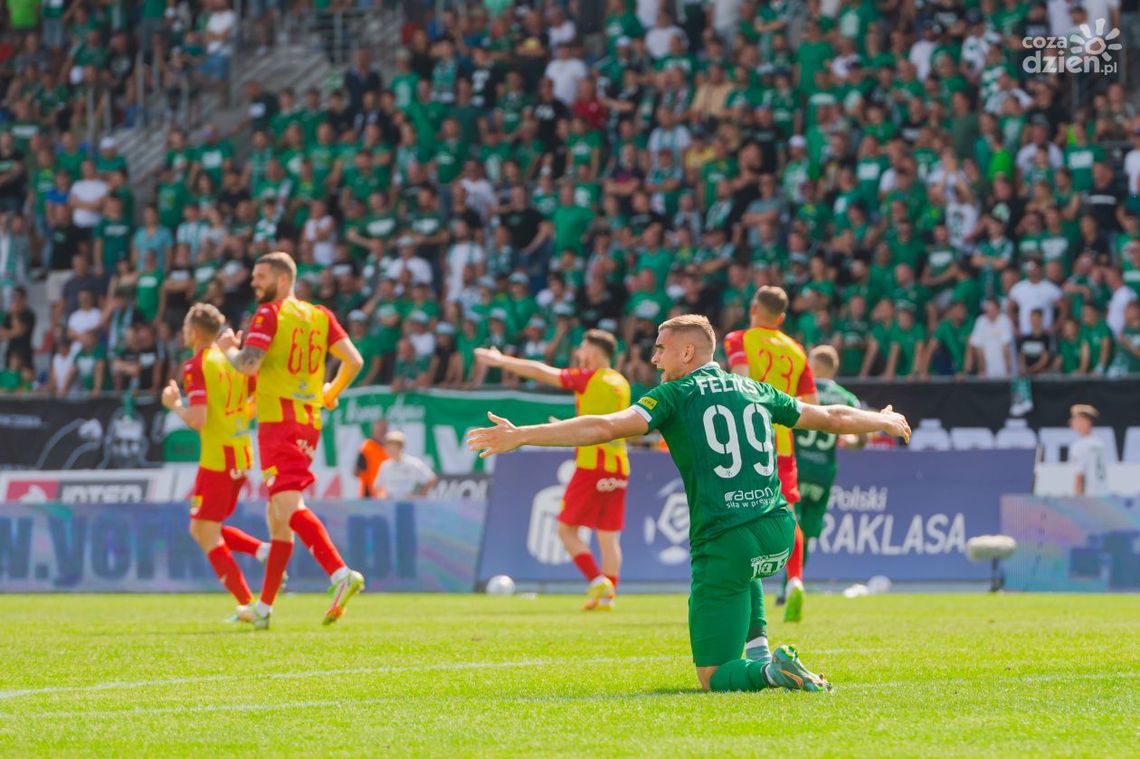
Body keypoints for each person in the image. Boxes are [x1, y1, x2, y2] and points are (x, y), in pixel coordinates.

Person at [467, 314, 911, 693]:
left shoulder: (674, 395)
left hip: (725, 539)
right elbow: (830, 417)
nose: (655, 358)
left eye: (661, 349)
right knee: (747, 570)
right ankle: (760, 649)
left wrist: (523, 434)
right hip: (778, 532)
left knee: (713, 675)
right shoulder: (755, 389)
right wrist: (882, 419)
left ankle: (772, 672)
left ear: (687, 354)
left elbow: (605, 426)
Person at [218, 251, 365, 629]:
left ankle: (339, 572)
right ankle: (264, 608)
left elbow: (247, 364)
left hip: (279, 419)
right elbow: (353, 360)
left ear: (282, 280)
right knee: (278, 515)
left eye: (261, 276)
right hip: (308, 419)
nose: (254, 283)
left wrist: (227, 349)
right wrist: (330, 392)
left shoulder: (269, 314)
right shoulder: (321, 315)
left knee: (286, 502)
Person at [475, 328, 631, 611]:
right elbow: (602, 420)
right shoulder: (621, 382)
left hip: (591, 465)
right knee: (608, 537)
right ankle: (608, 596)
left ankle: (597, 581)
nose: (578, 355)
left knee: (565, 530)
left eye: (582, 349)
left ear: (595, 353)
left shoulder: (589, 378)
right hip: (619, 467)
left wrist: (502, 361)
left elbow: (542, 372)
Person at [160, 303, 270, 621]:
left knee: (204, 532)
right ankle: (261, 552)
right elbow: (254, 398)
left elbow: (198, 419)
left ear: (194, 332)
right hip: (241, 453)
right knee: (206, 526)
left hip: (217, 457)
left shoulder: (197, 365)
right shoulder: (230, 359)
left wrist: (174, 404)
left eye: (184, 328)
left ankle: (249, 604)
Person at [723, 286, 818, 623]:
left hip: (749, 438)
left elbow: (740, 384)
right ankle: (794, 580)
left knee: (744, 511)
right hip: (783, 442)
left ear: (753, 309)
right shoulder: (797, 351)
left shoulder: (738, 339)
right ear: (781, 317)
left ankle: (749, 589)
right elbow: (811, 407)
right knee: (787, 511)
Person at [792, 346, 866, 570]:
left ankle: (790, 581)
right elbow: (861, 439)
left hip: (798, 468)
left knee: (791, 526)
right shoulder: (847, 399)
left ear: (813, 366)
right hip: (823, 473)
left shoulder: (799, 393)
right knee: (808, 531)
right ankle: (796, 582)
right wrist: (848, 440)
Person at [375, 430, 438, 499]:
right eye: (387, 446)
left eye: (392, 445)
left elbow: (431, 478)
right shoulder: (385, 466)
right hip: (392, 506)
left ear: (400, 446)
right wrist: (382, 498)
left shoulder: (413, 463)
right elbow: (377, 486)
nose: (388, 449)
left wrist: (420, 495)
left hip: (411, 506)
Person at [1069, 404, 1109, 496]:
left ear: (1086, 422)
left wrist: (1077, 499)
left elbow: (1079, 476)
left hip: (1089, 497)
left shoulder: (1079, 446)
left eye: (1076, 419)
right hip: (1103, 494)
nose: (1072, 422)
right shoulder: (1100, 443)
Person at [355, 419, 390, 497]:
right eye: (380, 429)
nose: (382, 431)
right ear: (374, 430)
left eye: (384, 429)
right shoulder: (367, 447)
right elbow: (357, 471)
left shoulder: (390, 448)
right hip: (369, 495)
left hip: (387, 495)